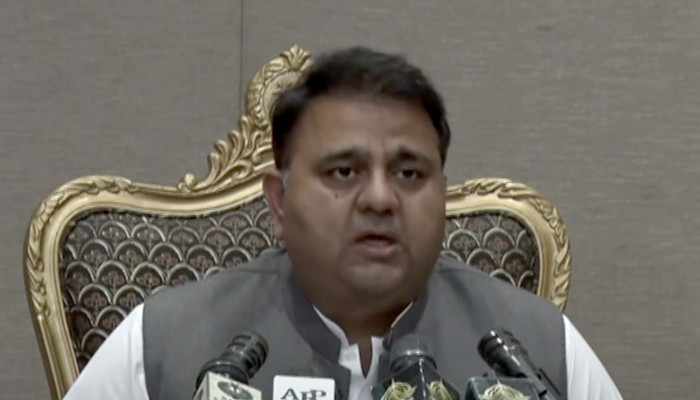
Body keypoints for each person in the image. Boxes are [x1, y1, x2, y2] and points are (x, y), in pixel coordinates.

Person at [63, 47, 623, 400]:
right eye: (344, 171)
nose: (380, 198)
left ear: (442, 196)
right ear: (280, 203)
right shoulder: (160, 345)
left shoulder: (542, 346)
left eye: (409, 172)